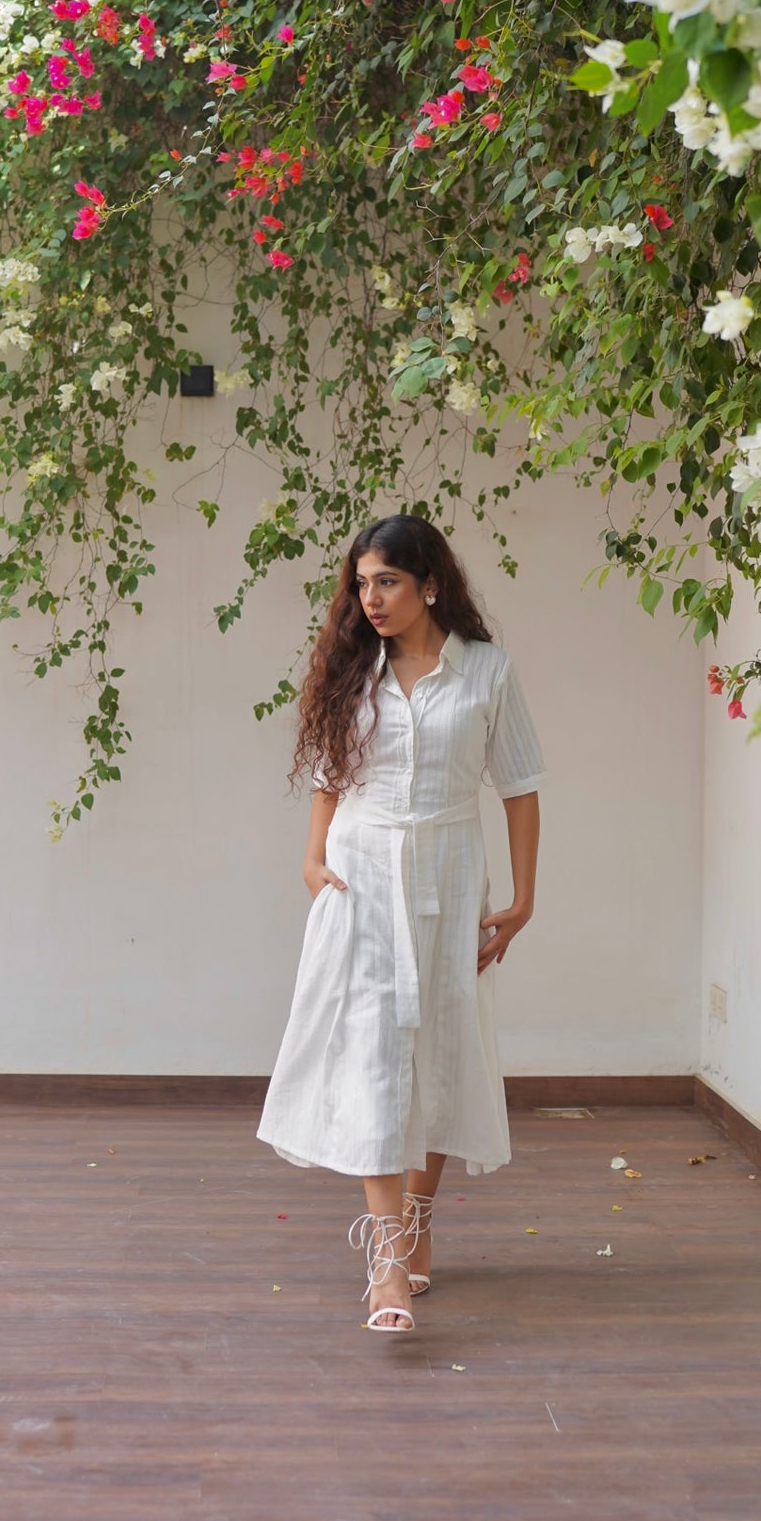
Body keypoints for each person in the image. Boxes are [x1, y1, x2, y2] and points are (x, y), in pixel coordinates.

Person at [258, 515, 544, 1334]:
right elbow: (325, 777)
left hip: (452, 873)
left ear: (428, 582)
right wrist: (311, 863)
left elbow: (519, 786)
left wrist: (522, 899)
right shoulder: (352, 670)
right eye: (360, 583)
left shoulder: (486, 672)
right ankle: (385, 1258)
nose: (370, 598)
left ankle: (418, 1224)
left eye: (385, 581)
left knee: (441, 1048)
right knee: (375, 1052)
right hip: (361, 874)